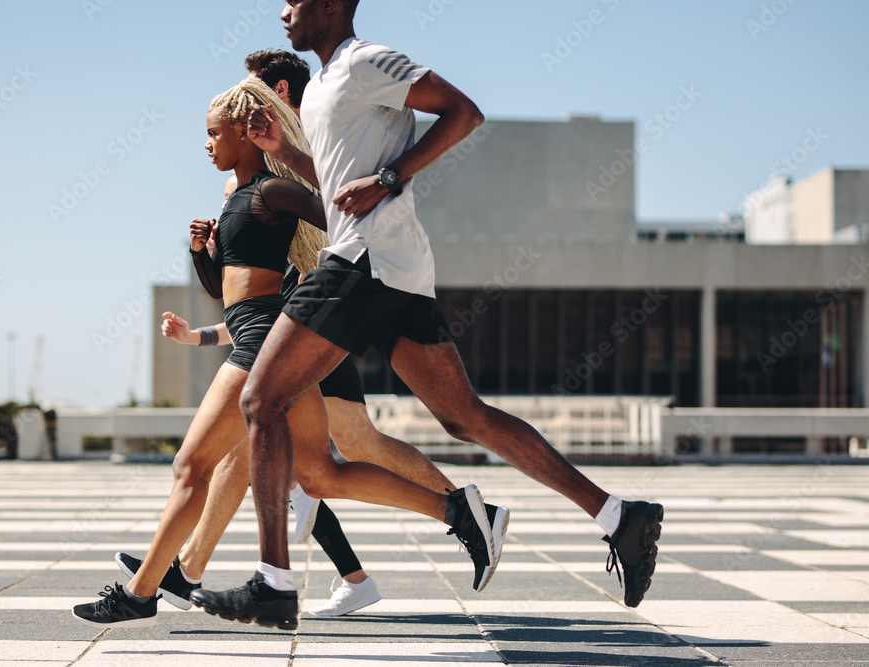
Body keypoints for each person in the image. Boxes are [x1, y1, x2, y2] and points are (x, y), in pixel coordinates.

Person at [196, 0, 664, 629]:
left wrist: (390, 176)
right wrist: (285, 149)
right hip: (393, 268)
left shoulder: (365, 62)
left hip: (362, 262)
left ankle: (275, 584)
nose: (283, 12)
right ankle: (619, 517)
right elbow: (339, 189)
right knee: (464, 416)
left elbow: (463, 112)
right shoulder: (323, 91)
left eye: (294, 1)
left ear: (331, 5)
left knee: (261, 400)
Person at [72, 77, 502, 631]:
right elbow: (221, 290)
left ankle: (142, 592)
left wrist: (329, 271)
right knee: (321, 474)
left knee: (190, 466)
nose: (206, 144)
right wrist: (201, 250)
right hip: (256, 331)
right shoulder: (234, 198)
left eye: (213, 133)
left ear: (245, 134)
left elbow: (342, 212)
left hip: (261, 340)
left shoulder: (272, 190)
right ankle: (457, 513)